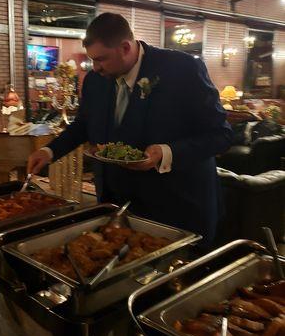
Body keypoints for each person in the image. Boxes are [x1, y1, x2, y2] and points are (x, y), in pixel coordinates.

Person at [28, 13, 232, 245]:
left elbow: (221, 135)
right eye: (92, 59)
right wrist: (49, 152)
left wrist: (166, 153)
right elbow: (84, 124)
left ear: (125, 47)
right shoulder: (95, 80)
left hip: (175, 206)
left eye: (102, 59)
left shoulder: (182, 69)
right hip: (116, 206)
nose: (95, 68)